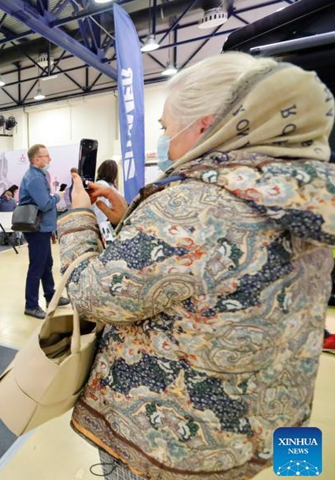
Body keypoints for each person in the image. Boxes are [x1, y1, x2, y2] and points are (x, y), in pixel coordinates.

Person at [57, 52, 335, 479]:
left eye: (166, 128)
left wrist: (78, 216)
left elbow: (92, 295)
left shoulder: (190, 204)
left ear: (205, 126)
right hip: (259, 421)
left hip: (168, 439)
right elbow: (205, 269)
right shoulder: (304, 194)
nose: (165, 142)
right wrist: (130, 219)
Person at [19, 144, 69, 319]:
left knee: (46, 263)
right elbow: (45, 204)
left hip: (42, 228)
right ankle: (31, 305)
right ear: (36, 159)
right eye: (46, 156)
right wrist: (58, 196)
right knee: (37, 266)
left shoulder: (38, 176)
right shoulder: (35, 178)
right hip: (37, 229)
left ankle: (50, 296)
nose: (49, 159)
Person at [92, 160, 120, 240]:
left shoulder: (110, 187)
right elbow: (100, 213)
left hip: (107, 227)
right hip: (103, 228)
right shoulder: (102, 186)